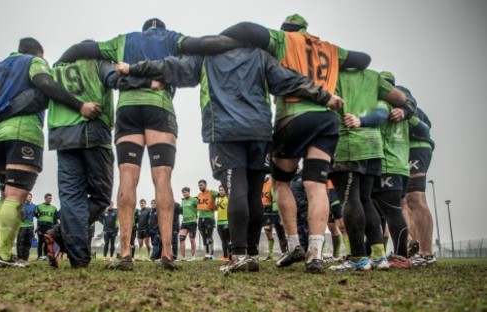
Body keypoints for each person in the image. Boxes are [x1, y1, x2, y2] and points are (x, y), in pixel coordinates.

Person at [119, 36, 342, 273]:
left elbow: (167, 67)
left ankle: (238, 255)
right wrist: (325, 96)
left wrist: (132, 68)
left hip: (225, 131)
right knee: (254, 194)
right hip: (258, 130)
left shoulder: (206, 56)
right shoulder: (260, 56)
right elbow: (289, 80)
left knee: (237, 188)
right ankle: (252, 254)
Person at [59, 19, 241, 271]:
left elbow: (83, 49)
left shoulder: (123, 40)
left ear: (143, 29)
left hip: (127, 110)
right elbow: (202, 44)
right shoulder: (172, 38)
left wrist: (60, 61)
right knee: (162, 178)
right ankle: (167, 253)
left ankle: (124, 254)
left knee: (127, 178)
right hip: (160, 107)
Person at [220, 15, 370, 272]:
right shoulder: (331, 50)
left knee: (281, 182)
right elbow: (364, 59)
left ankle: (293, 245)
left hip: (292, 116)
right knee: (316, 185)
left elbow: (245, 28)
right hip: (326, 119)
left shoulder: (283, 40)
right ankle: (315, 254)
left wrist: (215, 41)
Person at [0, 37, 101, 268]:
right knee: (16, 198)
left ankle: (3, 254)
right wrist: (79, 105)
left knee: (6, 197)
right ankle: (3, 256)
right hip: (23, 134)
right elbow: (44, 83)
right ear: (39, 53)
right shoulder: (34, 61)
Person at [48, 52, 153, 268]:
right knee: (101, 196)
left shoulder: (55, 70)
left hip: (61, 135)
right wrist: (148, 79)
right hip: (92, 130)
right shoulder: (97, 62)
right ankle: (59, 234)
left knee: (70, 196)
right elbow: (117, 79)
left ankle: (76, 255)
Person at [327, 68, 411, 271]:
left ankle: (358, 258)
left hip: (349, 146)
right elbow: (393, 103)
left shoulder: (334, 78)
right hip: (373, 149)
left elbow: (382, 114)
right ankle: (379, 257)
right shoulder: (373, 84)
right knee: (366, 200)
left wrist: (359, 121)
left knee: (351, 200)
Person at [372, 71, 416, 268]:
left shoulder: (381, 106)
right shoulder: (405, 112)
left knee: (390, 213)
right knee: (388, 210)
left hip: (387, 164)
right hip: (402, 166)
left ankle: (400, 256)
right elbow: (424, 129)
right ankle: (383, 254)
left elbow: (376, 123)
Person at [404, 108, 436, 267]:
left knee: (414, 198)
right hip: (401, 148)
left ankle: (426, 254)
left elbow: (425, 125)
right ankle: (414, 247)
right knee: (401, 200)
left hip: (415, 144)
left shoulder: (397, 93)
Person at [262, 175, 287, 259]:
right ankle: (270, 254)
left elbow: (274, 198)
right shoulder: (258, 184)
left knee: (280, 231)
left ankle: (284, 252)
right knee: (268, 232)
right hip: (263, 211)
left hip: (271, 211)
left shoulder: (271, 184)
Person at [196, 179, 218, 260]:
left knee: (209, 236)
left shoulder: (212, 192)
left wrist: (216, 205)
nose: (200, 186)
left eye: (201, 185)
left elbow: (221, 195)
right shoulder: (199, 195)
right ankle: (206, 254)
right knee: (203, 237)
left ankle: (212, 254)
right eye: (199, 185)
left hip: (209, 217)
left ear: (205, 185)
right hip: (201, 218)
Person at [35, 193, 58, 260]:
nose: (49, 200)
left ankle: (45, 256)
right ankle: (39, 256)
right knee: (40, 241)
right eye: (48, 198)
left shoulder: (54, 208)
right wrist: (40, 221)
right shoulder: (39, 206)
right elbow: (36, 214)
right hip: (41, 226)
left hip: (49, 226)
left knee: (47, 241)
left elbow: (55, 218)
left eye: (50, 198)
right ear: (45, 198)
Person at [179, 187, 198, 260]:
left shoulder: (194, 200)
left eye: (185, 192)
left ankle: (193, 256)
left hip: (192, 222)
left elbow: (199, 208)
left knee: (192, 239)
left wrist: (196, 216)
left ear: (189, 192)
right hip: (184, 222)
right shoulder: (183, 201)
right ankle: (183, 257)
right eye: (183, 192)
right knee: (181, 238)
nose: (184, 194)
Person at [17, 193, 36, 261]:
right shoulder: (21, 205)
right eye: (28, 196)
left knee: (28, 243)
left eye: (30, 197)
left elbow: (34, 216)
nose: (29, 198)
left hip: (30, 226)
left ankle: (26, 258)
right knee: (20, 242)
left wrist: (33, 230)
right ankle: (20, 258)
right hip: (22, 226)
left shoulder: (34, 206)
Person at [215, 185, 230, 261]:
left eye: (222, 190)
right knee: (223, 240)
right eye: (220, 190)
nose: (221, 191)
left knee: (228, 240)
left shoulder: (228, 198)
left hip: (226, 221)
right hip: (219, 222)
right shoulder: (217, 198)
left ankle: (230, 257)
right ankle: (225, 256)